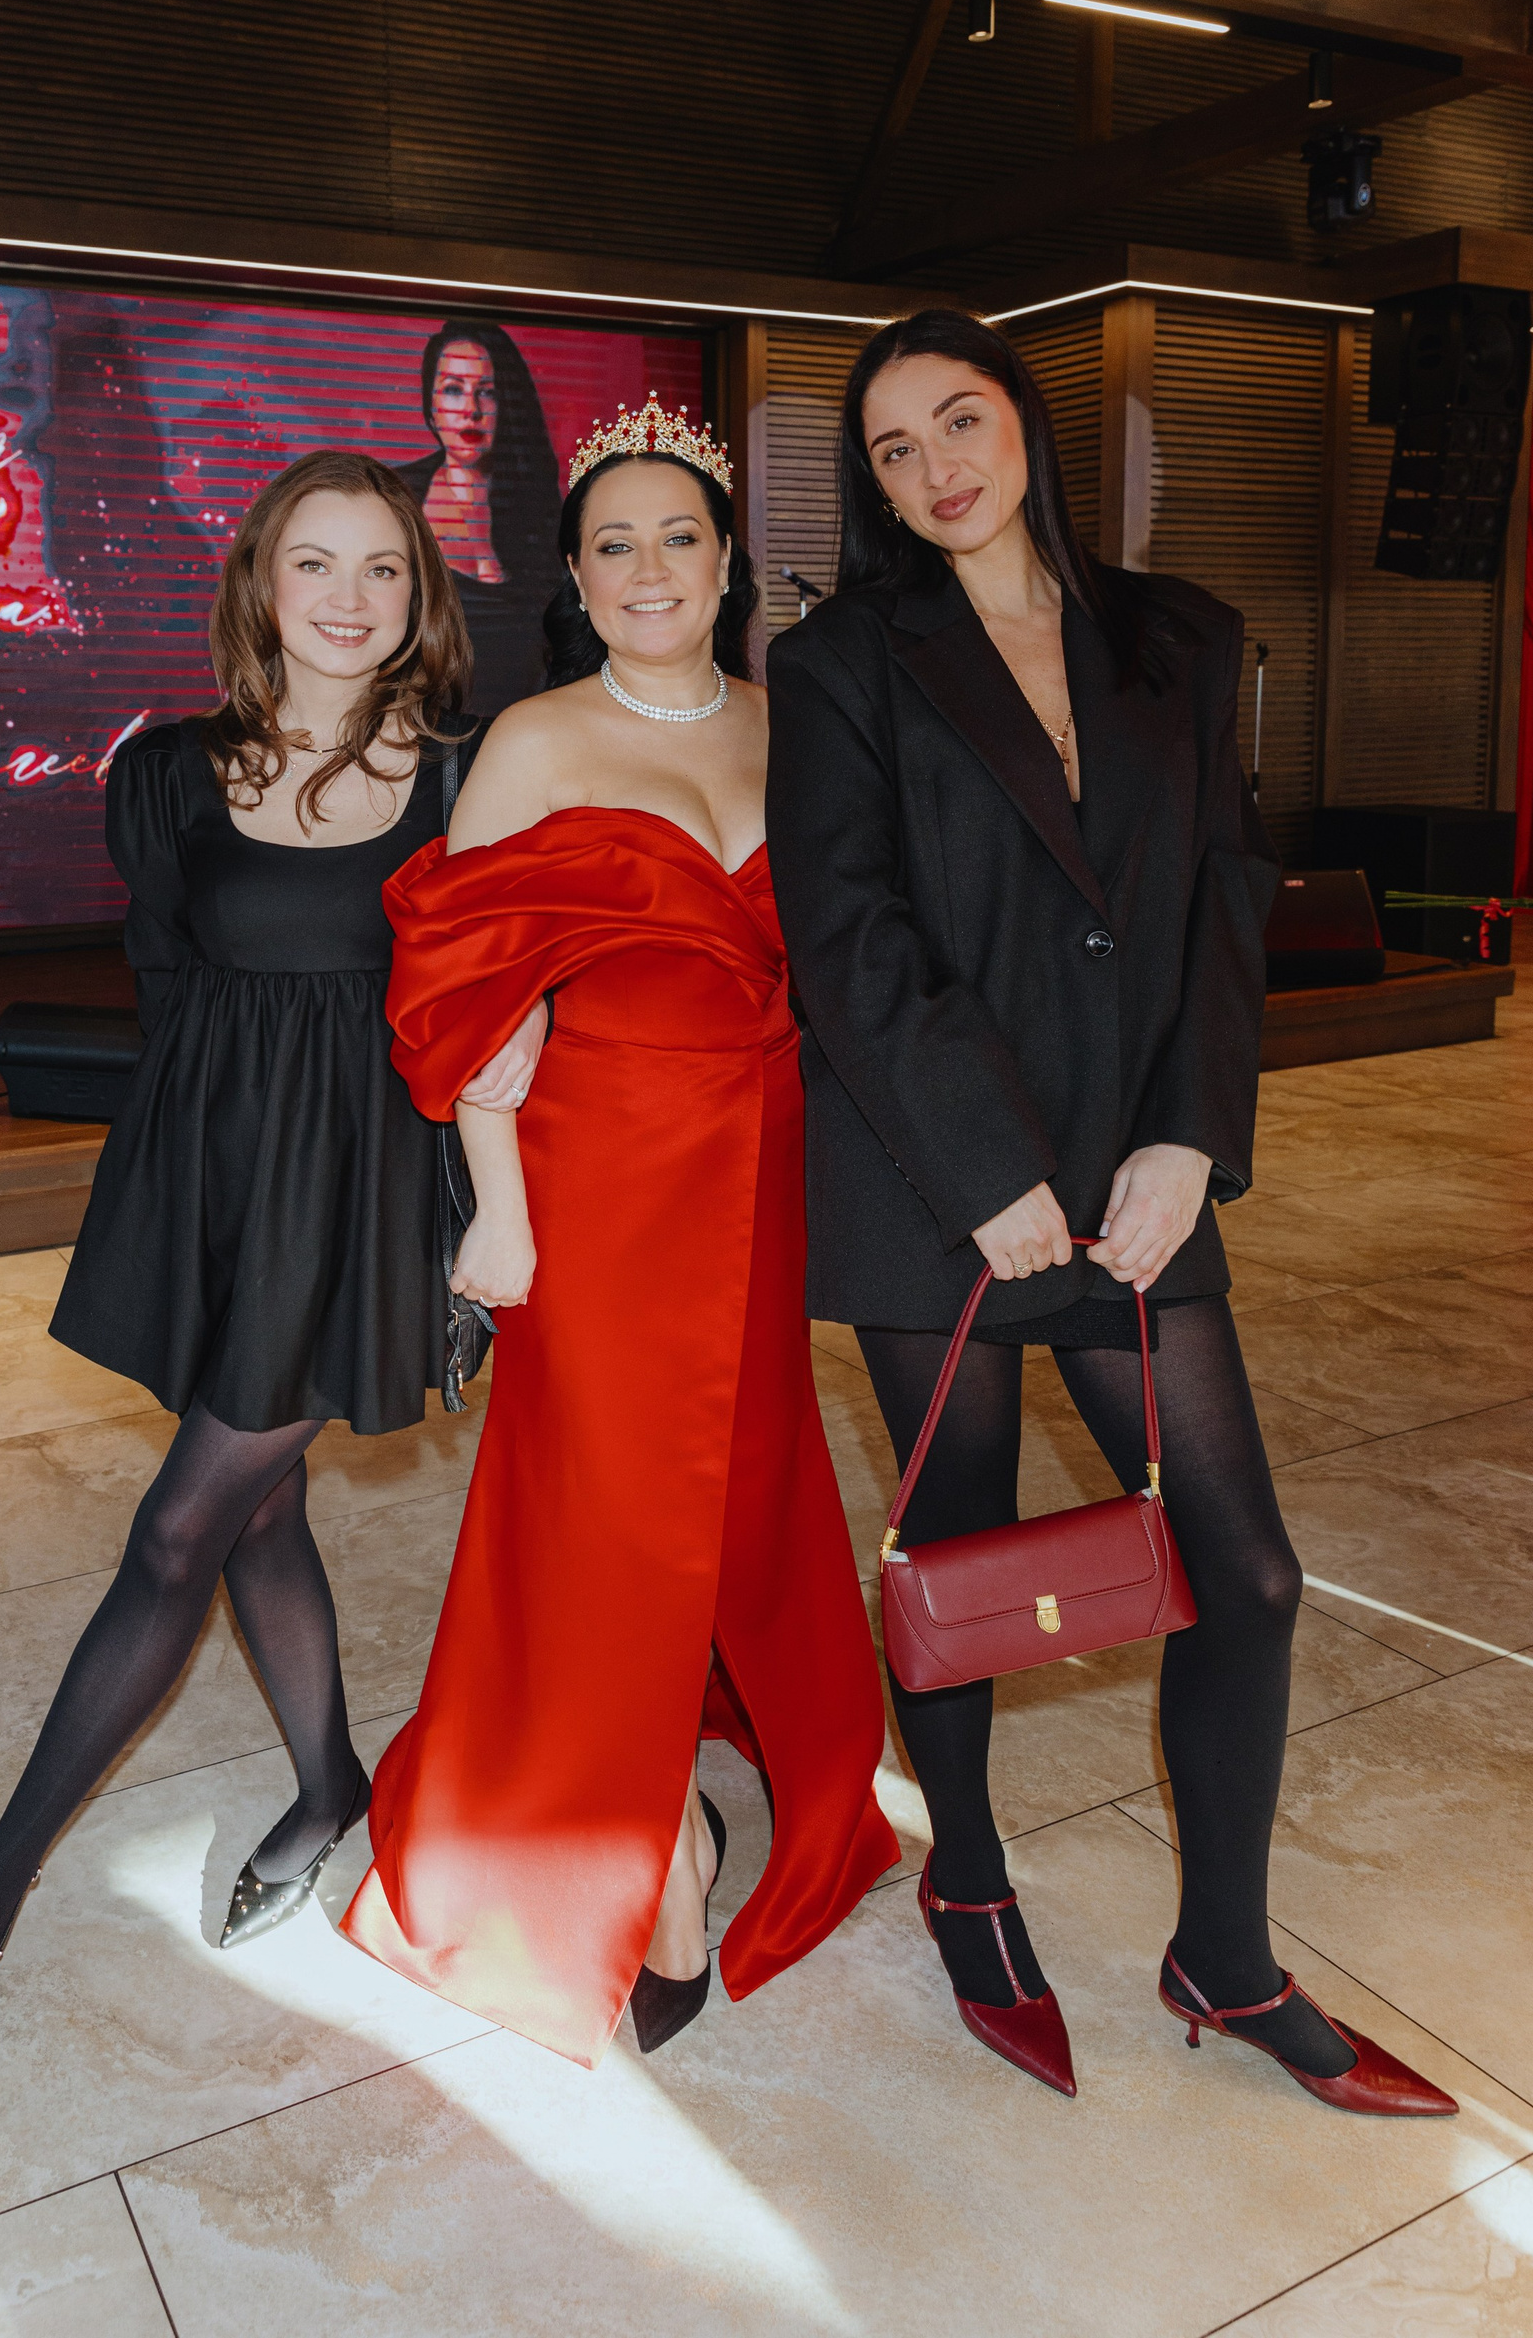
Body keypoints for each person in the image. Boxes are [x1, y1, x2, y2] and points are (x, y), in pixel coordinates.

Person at [765, 310, 1455, 2117]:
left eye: (959, 420)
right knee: (965, 1559)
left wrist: (1189, 1137)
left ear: (1026, 421)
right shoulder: (842, 661)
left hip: (1141, 1176)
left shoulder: (1182, 635)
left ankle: (1224, 1955)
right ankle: (972, 1881)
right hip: (940, 1181)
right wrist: (989, 1171)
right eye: (895, 449)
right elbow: (845, 931)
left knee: (1250, 1573)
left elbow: (1226, 895)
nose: (935, 468)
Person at [0, 451, 543, 2076]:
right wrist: (179, 1204)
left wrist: (485, 1202)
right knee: (262, 1511)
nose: (348, 598)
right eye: (316, 563)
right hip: (228, 1186)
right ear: (260, 582)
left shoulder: (470, 776)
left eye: (382, 567)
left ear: (420, 596)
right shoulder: (168, 774)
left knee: (179, 1526)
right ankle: (329, 1786)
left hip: (369, 1205)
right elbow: (170, 989)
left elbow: (508, 997)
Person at [341, 394, 899, 2066]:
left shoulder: (802, 728)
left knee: (744, 1473)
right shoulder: (534, 742)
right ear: (575, 580)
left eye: (678, 537)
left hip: (769, 1170)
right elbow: (458, 997)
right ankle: (649, 1850)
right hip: (596, 1178)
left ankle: (705, 1751)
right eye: (612, 545)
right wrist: (500, 1212)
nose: (648, 569)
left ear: (729, 564)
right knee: (597, 1504)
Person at [398, 319, 562, 713]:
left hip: (524, 733)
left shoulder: (543, 512)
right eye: (453, 389)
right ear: (430, 406)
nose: (470, 410)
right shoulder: (395, 499)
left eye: (486, 392)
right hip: (413, 731)